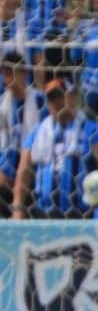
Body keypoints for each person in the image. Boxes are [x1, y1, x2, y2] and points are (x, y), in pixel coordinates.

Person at [12, 77, 98, 219]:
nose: (56, 103)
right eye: (52, 99)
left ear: (73, 97)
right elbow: (23, 172)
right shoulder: (37, 132)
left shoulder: (92, 131)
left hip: (81, 214)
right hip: (44, 213)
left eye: (60, 97)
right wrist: (18, 207)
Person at [0, 58, 46, 217]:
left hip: (35, 160)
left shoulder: (41, 100)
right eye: (4, 74)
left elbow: (46, 136)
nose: (6, 79)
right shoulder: (2, 104)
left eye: (10, 73)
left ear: (23, 74)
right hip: (8, 161)